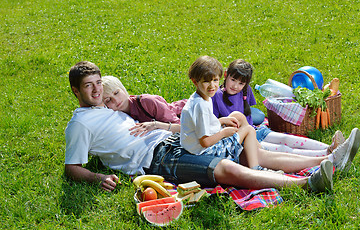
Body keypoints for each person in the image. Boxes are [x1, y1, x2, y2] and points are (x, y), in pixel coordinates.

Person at [64, 61, 360, 193]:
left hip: (169, 140)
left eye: (99, 84)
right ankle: (307, 183)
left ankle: (327, 160)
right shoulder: (79, 124)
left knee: (247, 147)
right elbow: (72, 167)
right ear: (76, 92)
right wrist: (96, 177)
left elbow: (129, 102)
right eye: (88, 86)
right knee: (226, 169)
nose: (96, 90)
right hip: (157, 159)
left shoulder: (105, 104)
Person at [212, 59, 345, 157]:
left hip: (255, 131)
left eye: (241, 83)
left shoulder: (246, 90)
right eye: (233, 80)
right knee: (282, 148)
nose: (236, 86)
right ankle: (326, 154)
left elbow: (251, 113)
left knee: (285, 139)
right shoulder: (216, 96)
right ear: (225, 75)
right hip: (243, 140)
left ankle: (333, 147)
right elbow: (215, 124)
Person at [101, 75, 186, 136]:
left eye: (116, 93)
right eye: (108, 100)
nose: (116, 100)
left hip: (190, 114)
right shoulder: (116, 117)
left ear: (123, 89)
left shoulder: (148, 102)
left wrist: (156, 125)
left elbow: (182, 129)